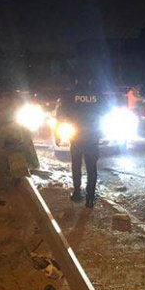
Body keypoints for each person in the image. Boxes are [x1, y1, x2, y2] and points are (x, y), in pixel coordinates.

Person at [56, 77, 104, 208]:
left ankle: (77, 193)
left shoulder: (70, 95)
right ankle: (90, 198)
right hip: (93, 137)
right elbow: (105, 112)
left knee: (76, 165)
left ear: (76, 81)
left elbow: (60, 115)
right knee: (92, 167)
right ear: (90, 81)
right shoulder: (97, 95)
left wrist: (57, 135)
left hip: (76, 137)